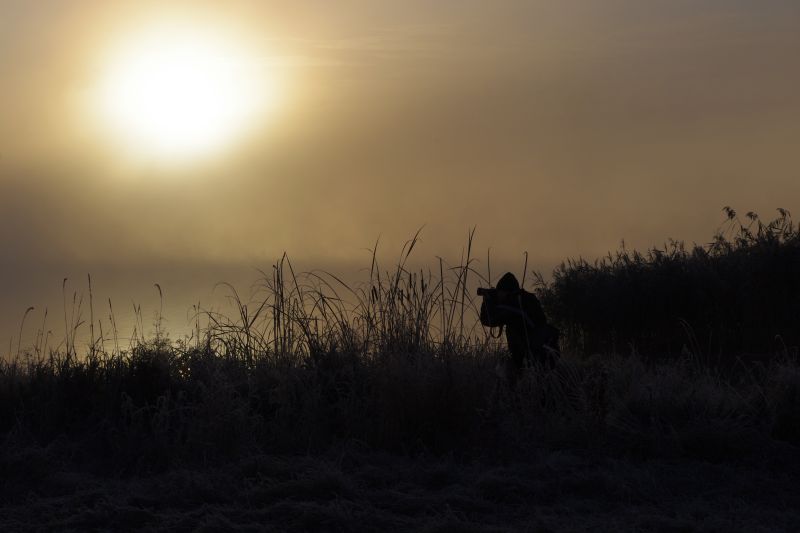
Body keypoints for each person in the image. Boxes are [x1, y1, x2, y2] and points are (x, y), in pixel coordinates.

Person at [478, 272, 560, 376]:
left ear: (506, 292)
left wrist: (487, 300)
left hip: (530, 358)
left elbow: (488, 320)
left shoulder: (512, 307)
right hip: (545, 354)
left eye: (499, 292)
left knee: (507, 372)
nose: (497, 295)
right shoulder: (528, 299)